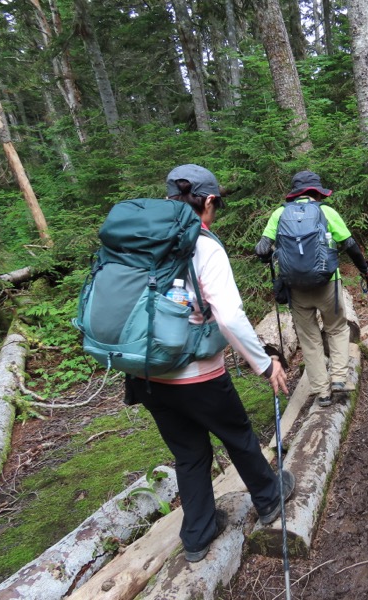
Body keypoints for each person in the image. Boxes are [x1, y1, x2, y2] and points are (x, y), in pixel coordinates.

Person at [125, 164, 295, 563]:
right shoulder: (203, 245)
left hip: (146, 374)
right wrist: (264, 364)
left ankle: (198, 535)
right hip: (196, 375)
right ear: (210, 201)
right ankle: (269, 499)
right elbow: (229, 317)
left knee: (189, 454)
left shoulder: (138, 242)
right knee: (237, 435)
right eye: (216, 205)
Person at [255, 171, 368, 407]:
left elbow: (262, 249)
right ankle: (338, 379)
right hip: (328, 283)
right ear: (317, 192)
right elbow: (349, 244)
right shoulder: (326, 212)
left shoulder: (279, 214)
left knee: (309, 339)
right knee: (337, 329)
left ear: (295, 194)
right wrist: (364, 269)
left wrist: (272, 257)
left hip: (296, 288)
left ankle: (322, 392)